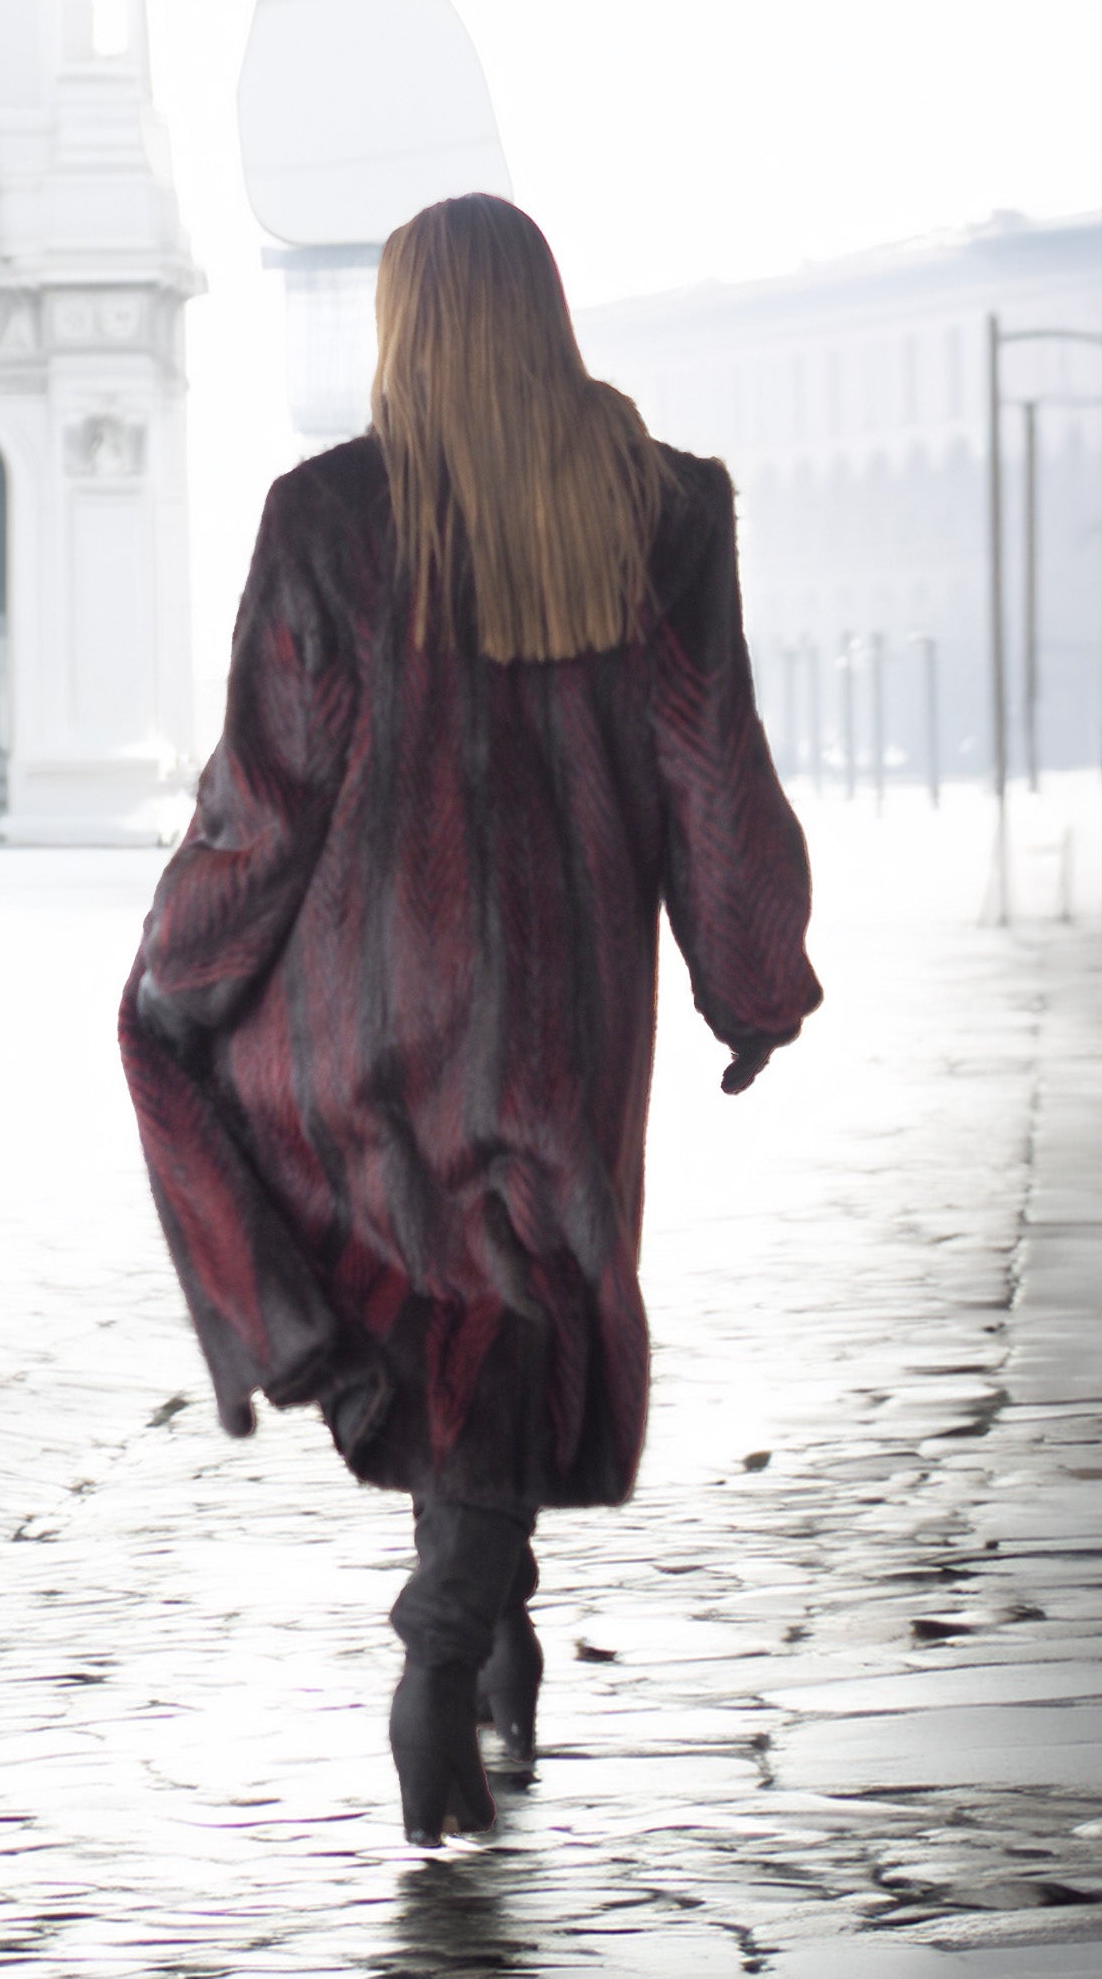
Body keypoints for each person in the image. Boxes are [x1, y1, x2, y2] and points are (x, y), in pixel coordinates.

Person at [119, 194, 821, 1847]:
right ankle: (456, 1640)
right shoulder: (661, 508)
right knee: (517, 1304)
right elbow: (705, 762)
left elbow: (267, 794)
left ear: (404, 326)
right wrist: (751, 973)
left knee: (450, 1308)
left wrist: (184, 970)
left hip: (375, 1002)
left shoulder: (331, 516)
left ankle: (469, 1625)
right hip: (566, 1011)